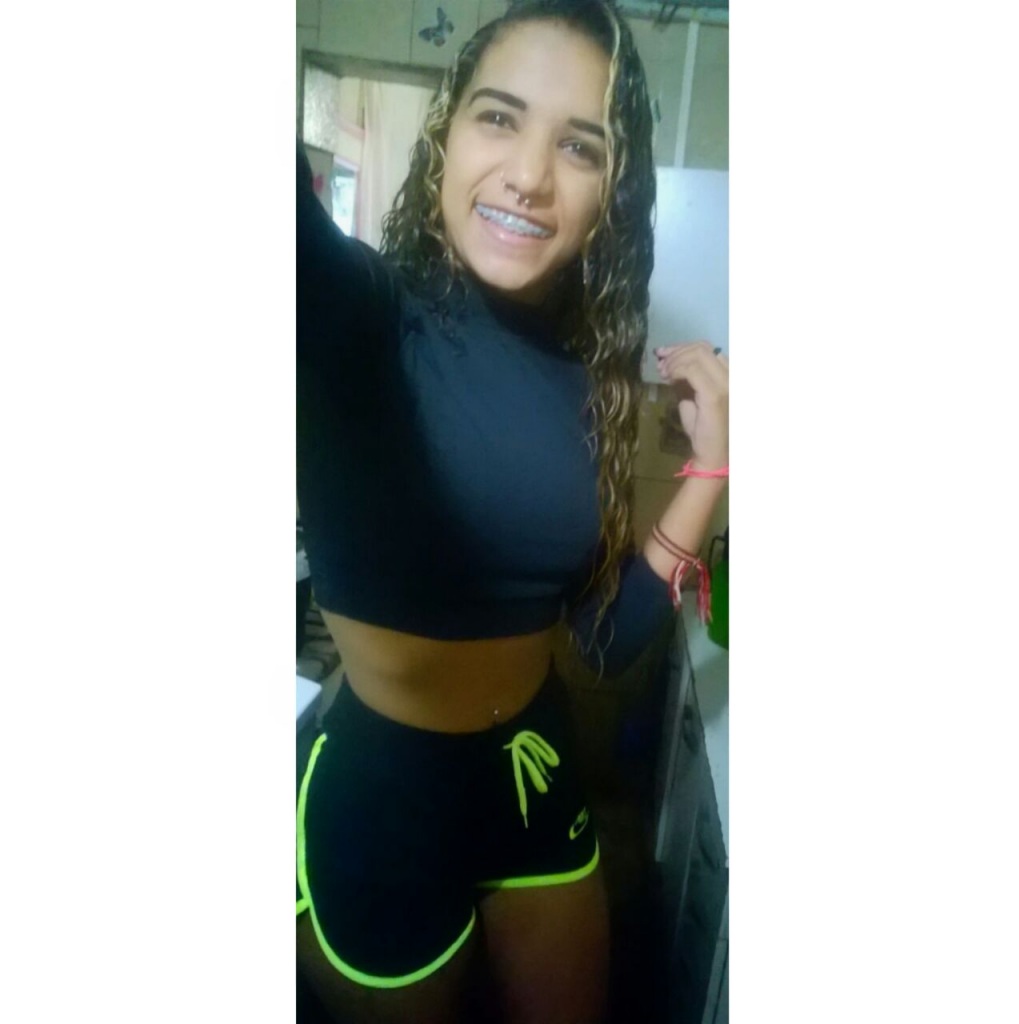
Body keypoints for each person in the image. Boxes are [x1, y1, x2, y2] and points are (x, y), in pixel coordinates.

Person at [295, 1, 729, 1021]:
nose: (530, 175)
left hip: (531, 763)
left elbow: (604, 639)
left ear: (611, 189)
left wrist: (712, 468)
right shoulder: (358, 316)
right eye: (498, 117)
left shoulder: (587, 375)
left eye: (579, 145)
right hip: (384, 794)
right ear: (446, 134)